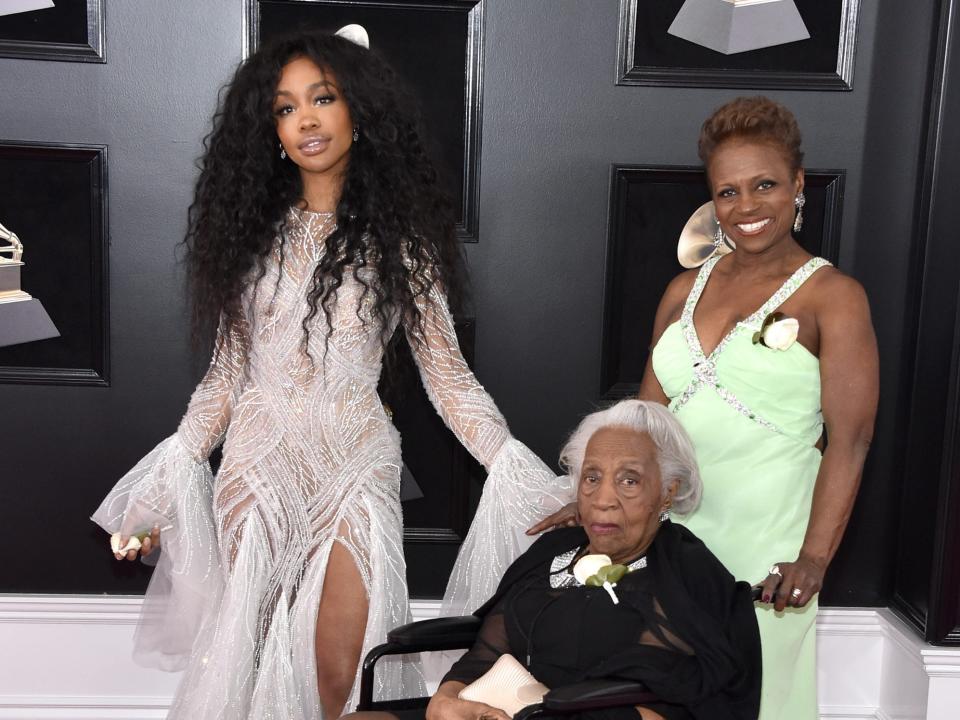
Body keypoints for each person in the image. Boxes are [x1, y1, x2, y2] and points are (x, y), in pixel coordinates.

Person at [91, 28, 571, 719]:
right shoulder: (247, 239)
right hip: (257, 464)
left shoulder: (404, 246)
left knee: (342, 665)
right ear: (270, 127)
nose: (306, 120)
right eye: (286, 108)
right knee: (249, 660)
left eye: (324, 98)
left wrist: (513, 468)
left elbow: (449, 377)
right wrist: (169, 477)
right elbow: (226, 376)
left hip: (355, 462)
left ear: (360, 110)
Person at [637, 96, 879, 719]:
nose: (746, 207)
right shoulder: (679, 291)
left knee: (758, 701)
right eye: (727, 192)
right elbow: (644, 426)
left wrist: (815, 557)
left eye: (764, 185)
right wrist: (606, 506)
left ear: (798, 185)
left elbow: (850, 442)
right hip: (670, 537)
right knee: (656, 696)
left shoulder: (835, 297)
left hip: (767, 545)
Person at [348, 400, 761, 720]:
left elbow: (671, 694)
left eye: (629, 480)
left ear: (667, 493)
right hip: (506, 708)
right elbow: (488, 650)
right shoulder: (552, 552)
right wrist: (448, 698)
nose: (603, 499)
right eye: (592, 477)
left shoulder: (685, 572)